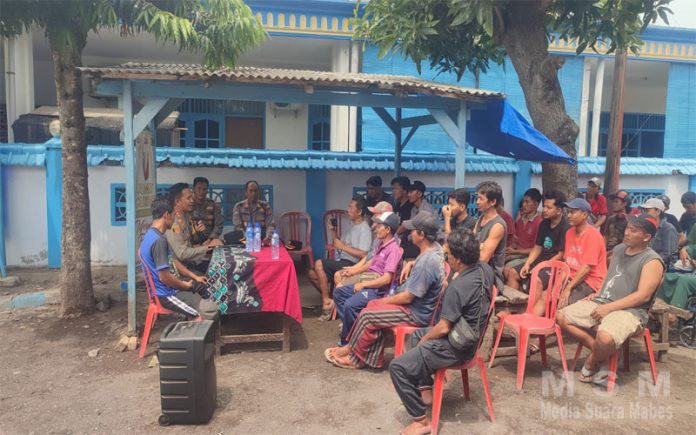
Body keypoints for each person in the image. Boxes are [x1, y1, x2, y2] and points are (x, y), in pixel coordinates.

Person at [389, 229, 494, 435]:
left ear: (458, 259)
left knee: (398, 367)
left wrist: (427, 339)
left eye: (449, 255)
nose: (446, 258)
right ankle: (425, 387)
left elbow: (444, 327)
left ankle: (421, 421)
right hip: (471, 335)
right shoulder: (485, 269)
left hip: (458, 348)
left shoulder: (457, 287)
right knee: (417, 334)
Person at [325, 212, 445, 370]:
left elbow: (407, 297)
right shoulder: (434, 250)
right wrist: (412, 263)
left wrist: (383, 301)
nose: (410, 233)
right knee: (371, 308)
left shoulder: (427, 262)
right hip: (415, 306)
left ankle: (354, 357)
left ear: (421, 235)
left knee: (368, 313)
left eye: (413, 230)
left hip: (415, 313)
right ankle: (361, 353)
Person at [557, 214, 664, 386]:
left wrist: (609, 308)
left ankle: (592, 360)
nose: (627, 232)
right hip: (604, 301)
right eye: (627, 228)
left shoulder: (652, 261)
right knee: (561, 317)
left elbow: (643, 296)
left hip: (631, 311)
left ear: (646, 237)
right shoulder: (620, 249)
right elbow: (610, 275)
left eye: (633, 230)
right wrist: (599, 293)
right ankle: (608, 354)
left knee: (605, 338)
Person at [140, 196, 219, 320]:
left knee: (203, 284)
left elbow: (173, 261)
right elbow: (164, 277)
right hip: (167, 294)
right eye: (173, 215)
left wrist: (194, 277)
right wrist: (184, 286)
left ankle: (199, 312)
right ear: (166, 215)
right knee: (211, 310)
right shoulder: (159, 241)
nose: (174, 218)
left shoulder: (151, 234)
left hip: (171, 287)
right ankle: (196, 322)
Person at [308, 195, 372, 320]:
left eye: (351, 207)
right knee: (312, 273)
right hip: (341, 260)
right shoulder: (351, 226)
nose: (348, 210)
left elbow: (364, 254)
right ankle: (333, 300)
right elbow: (338, 244)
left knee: (319, 263)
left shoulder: (365, 229)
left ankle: (326, 302)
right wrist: (333, 230)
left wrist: (343, 247)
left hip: (353, 263)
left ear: (359, 211)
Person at [505, 191, 570, 301]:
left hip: (554, 265)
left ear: (559, 210)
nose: (544, 210)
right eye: (544, 206)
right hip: (540, 261)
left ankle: (531, 309)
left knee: (536, 280)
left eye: (549, 208)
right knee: (512, 272)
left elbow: (561, 254)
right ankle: (514, 306)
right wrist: (527, 263)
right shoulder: (544, 223)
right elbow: (537, 247)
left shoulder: (565, 227)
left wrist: (542, 266)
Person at [558, 198, 607, 309]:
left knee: (563, 305)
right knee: (546, 295)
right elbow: (567, 262)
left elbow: (586, 269)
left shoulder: (593, 235)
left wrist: (568, 288)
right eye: (568, 212)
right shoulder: (569, 233)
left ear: (584, 215)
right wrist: (558, 284)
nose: (569, 215)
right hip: (573, 276)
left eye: (573, 212)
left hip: (591, 280)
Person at [165, 183, 223, 274]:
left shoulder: (186, 217)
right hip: (180, 272)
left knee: (218, 269)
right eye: (188, 198)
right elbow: (182, 254)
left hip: (191, 264)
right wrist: (208, 247)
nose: (192, 201)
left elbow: (192, 242)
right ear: (177, 201)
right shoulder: (173, 224)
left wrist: (201, 234)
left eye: (191, 197)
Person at [473, 181, 507, 285]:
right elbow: (468, 244)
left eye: (481, 198)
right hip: (475, 268)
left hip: (489, 275)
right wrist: (480, 246)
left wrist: (476, 246)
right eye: (477, 198)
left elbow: (483, 258)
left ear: (492, 202)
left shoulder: (497, 225)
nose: (477, 202)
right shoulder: (481, 218)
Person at [505, 188, 542, 268]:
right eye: (523, 202)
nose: (523, 205)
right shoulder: (519, 220)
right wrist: (509, 248)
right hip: (517, 253)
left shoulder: (540, 222)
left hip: (530, 256)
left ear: (536, 204)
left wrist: (515, 252)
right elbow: (515, 241)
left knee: (508, 267)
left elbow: (537, 249)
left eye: (527, 202)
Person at [640, 198, 679, 266]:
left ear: (658, 211)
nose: (644, 213)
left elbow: (668, 254)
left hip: (663, 266)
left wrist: (648, 261)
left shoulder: (668, 228)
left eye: (647, 210)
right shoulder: (646, 227)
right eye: (643, 210)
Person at [190, 177, 224, 245]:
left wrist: (210, 240)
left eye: (204, 189)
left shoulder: (213, 205)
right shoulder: (188, 204)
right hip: (191, 242)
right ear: (193, 189)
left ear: (207, 190)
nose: (201, 192)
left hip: (210, 241)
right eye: (199, 189)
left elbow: (218, 225)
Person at [602, 190, 631, 258]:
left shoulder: (629, 222)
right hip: (606, 251)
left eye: (616, 201)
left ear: (624, 204)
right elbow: (606, 236)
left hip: (620, 253)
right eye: (613, 201)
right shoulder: (610, 219)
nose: (613, 204)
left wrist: (607, 254)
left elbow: (625, 244)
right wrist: (602, 251)